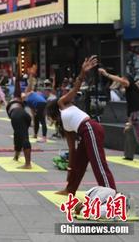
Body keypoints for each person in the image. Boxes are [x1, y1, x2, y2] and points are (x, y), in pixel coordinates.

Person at [46, 56, 116, 196]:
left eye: (50, 117)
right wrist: (70, 170)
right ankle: (70, 189)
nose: (51, 121)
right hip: (86, 131)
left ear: (53, 113)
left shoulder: (62, 103)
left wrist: (83, 72)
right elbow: (72, 151)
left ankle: (111, 194)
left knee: (98, 164)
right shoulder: (66, 127)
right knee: (79, 161)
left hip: (91, 128)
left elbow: (75, 88)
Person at [98, 69, 139, 166]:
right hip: (135, 114)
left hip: (137, 114)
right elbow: (130, 109)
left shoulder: (131, 86)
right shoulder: (130, 90)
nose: (121, 81)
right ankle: (129, 155)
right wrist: (129, 123)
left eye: (123, 79)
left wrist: (106, 74)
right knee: (129, 131)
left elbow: (121, 81)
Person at [7, 77, 31, 169]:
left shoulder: (16, 98)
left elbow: (18, 88)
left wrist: (17, 79)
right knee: (18, 135)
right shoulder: (20, 100)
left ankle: (28, 164)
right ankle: (16, 156)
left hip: (17, 116)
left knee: (23, 138)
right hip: (24, 115)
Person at [23, 66, 48, 142]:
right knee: (37, 119)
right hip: (41, 103)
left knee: (42, 120)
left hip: (40, 103)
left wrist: (31, 74)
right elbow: (33, 114)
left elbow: (30, 84)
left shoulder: (28, 92)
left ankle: (44, 137)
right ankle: (35, 134)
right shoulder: (29, 100)